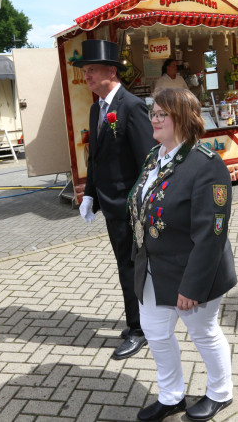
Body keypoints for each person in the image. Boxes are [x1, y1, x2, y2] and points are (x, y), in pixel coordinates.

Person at [128, 87, 236, 422]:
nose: (155, 119)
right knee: (156, 332)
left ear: (183, 119)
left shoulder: (206, 164)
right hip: (152, 268)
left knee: (202, 332)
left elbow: (211, 234)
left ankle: (221, 392)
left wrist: (192, 286)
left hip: (192, 271)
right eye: (153, 113)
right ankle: (171, 395)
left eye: (162, 114)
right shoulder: (153, 156)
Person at [75, 39, 157, 360]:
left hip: (129, 207)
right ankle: (139, 322)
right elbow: (95, 159)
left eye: (92, 70)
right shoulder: (98, 108)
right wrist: (89, 194)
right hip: (109, 205)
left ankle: (139, 330)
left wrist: (142, 207)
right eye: (85, 72)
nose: (88, 77)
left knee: (131, 269)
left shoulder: (131, 106)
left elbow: (147, 161)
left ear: (111, 71)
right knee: (125, 266)